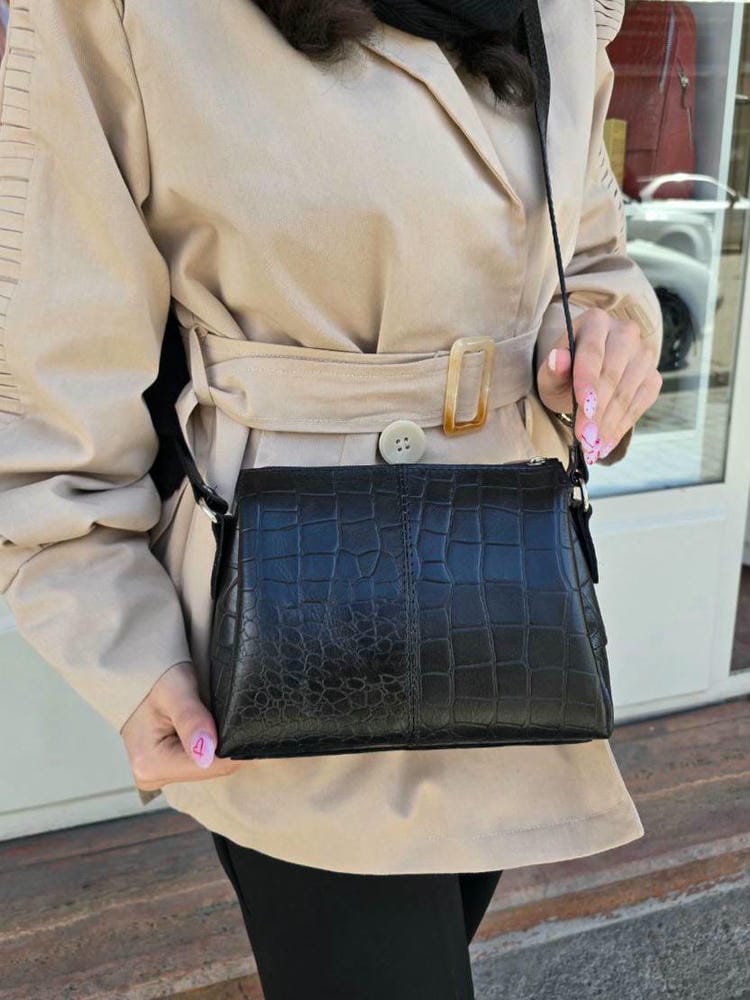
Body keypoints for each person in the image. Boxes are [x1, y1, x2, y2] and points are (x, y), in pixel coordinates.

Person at [0, 0, 663, 996]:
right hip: (296, 617)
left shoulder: (558, 6)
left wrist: (612, 339)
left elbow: (593, 249)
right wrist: (121, 644)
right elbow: (58, 371)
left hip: (499, 605)